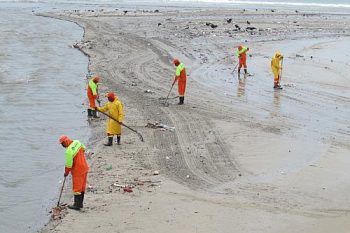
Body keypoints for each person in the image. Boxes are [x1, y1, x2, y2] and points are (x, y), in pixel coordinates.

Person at [59, 135, 89, 210]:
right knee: (82, 186)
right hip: (84, 167)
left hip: (77, 171)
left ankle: (77, 205)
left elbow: (68, 165)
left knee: (77, 188)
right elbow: (84, 149)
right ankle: (80, 203)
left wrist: (66, 173)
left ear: (65, 142)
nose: (62, 146)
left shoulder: (68, 151)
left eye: (62, 144)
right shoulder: (77, 142)